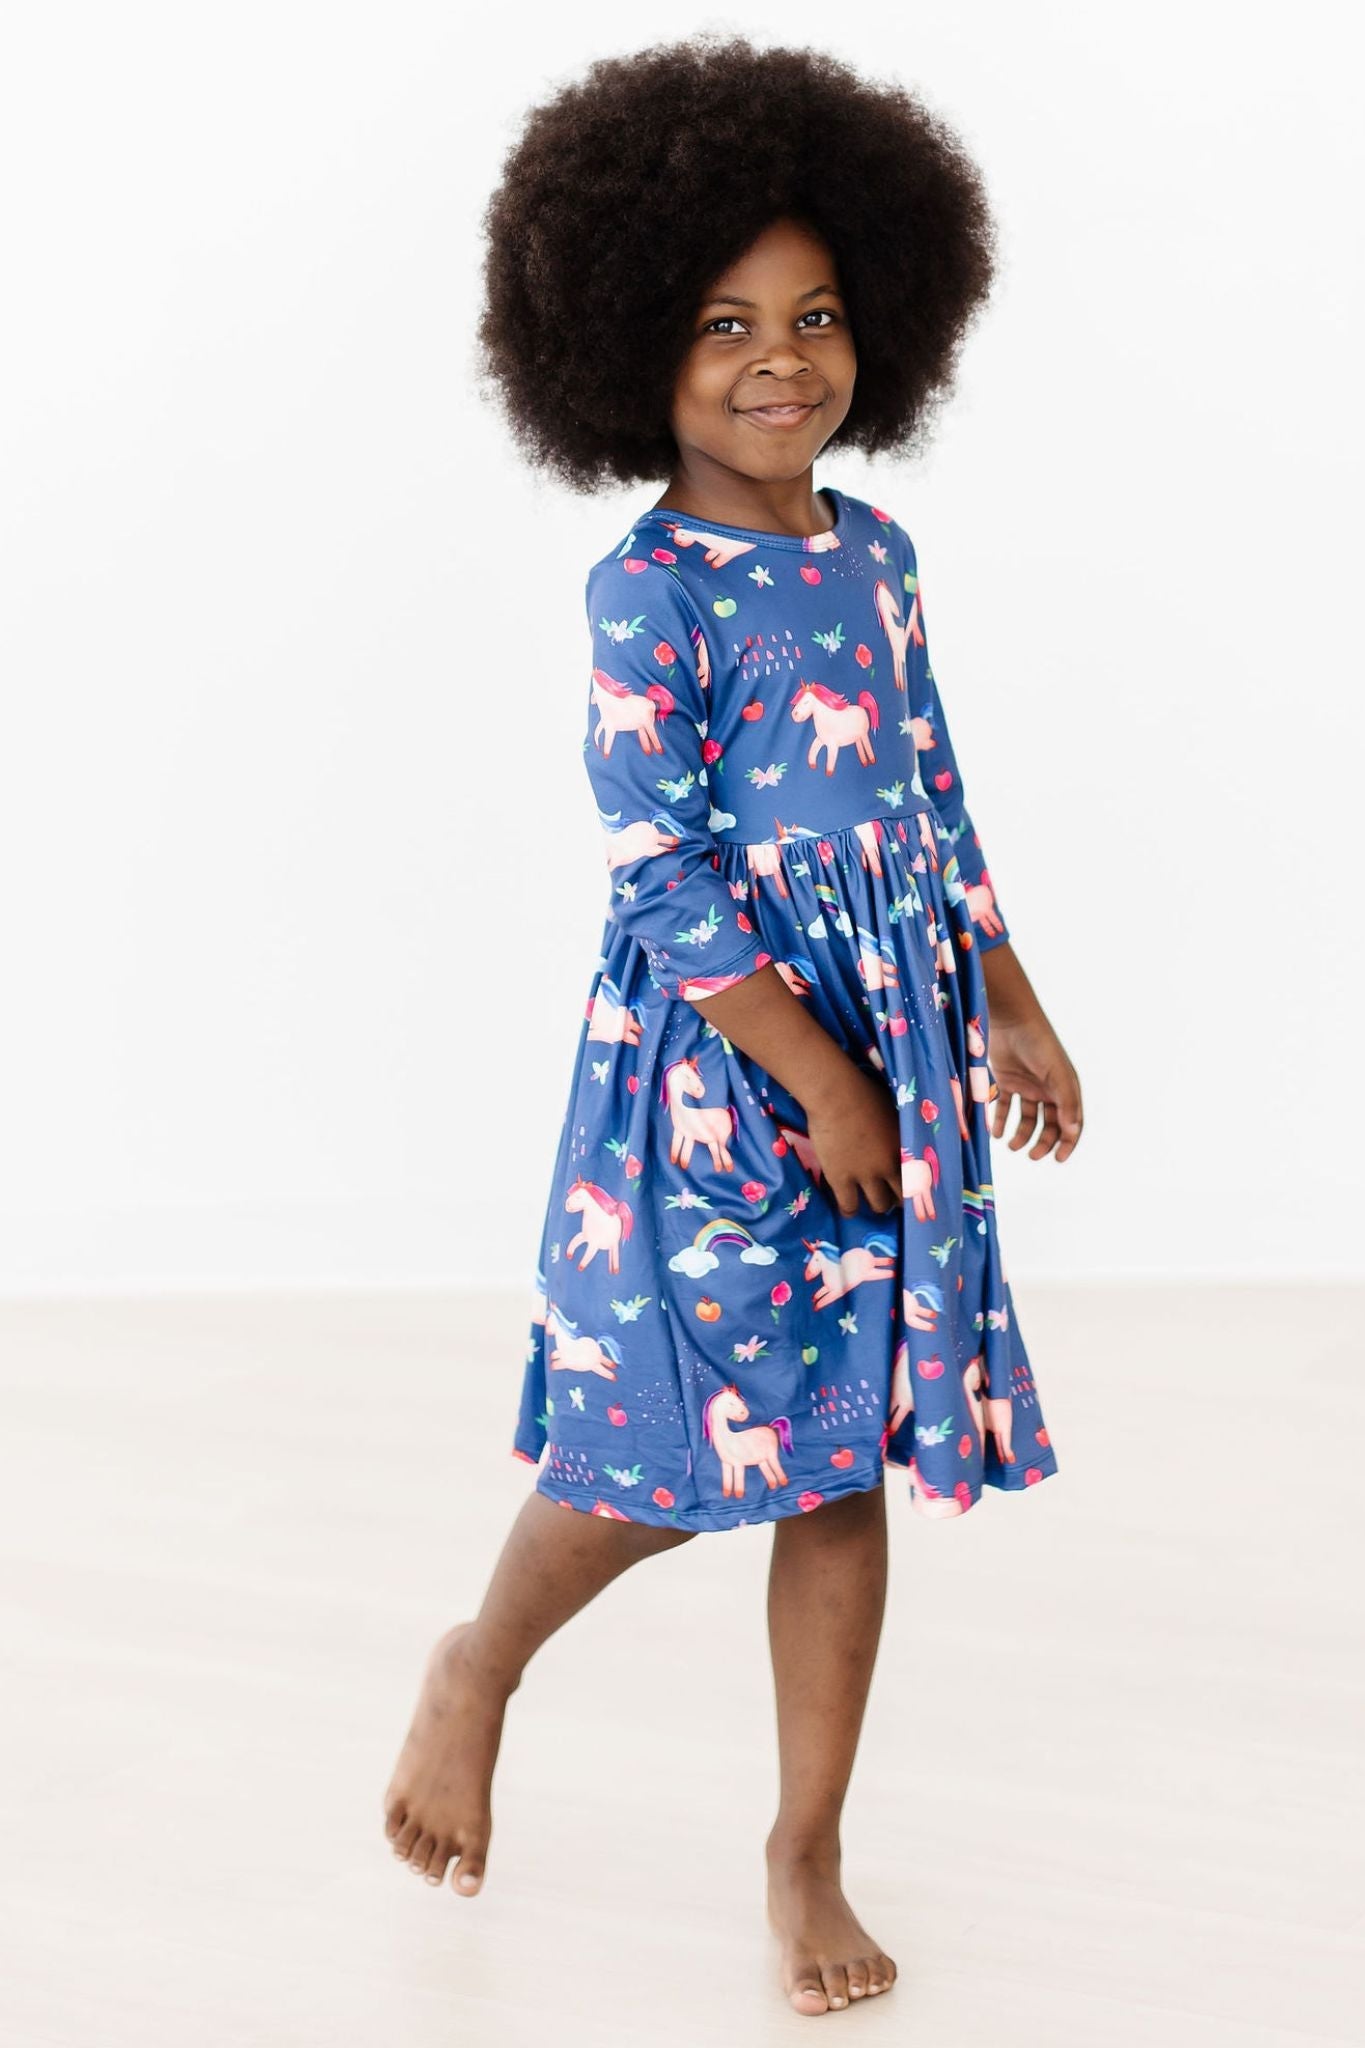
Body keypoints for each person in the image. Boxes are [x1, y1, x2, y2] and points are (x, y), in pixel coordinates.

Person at [384, 33, 1084, 2018]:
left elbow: (929, 797)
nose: (781, 360)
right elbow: (660, 877)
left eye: (817, 316)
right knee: (650, 1452)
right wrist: (822, 1078)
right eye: (723, 325)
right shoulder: (646, 593)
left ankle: (803, 1846)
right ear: (627, 349)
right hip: (727, 1069)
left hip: (894, 1042)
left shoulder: (876, 558)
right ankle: (480, 1662)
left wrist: (1009, 1005)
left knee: (837, 1456)